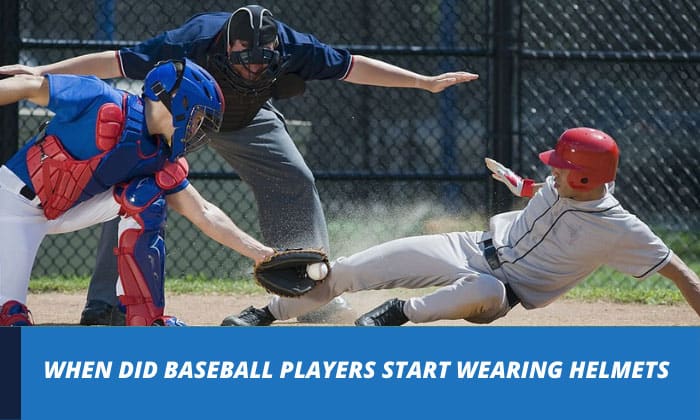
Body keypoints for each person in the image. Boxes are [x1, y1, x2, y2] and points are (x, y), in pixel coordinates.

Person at [0, 5, 479, 326]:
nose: (253, 67)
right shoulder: (192, 40)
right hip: (182, 117)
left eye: (261, 62)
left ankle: (310, 293)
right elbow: (117, 62)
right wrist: (41, 73)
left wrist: (424, 83)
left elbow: (354, 66)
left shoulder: (294, 46)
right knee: (135, 184)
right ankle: (106, 305)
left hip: (248, 119)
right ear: (224, 46)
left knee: (296, 179)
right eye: (243, 59)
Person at [220, 127, 700, 326]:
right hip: (467, 244)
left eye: (560, 166)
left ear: (584, 178)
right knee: (347, 269)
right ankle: (264, 313)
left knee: (482, 286)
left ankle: (396, 314)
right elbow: (542, 191)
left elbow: (681, 273)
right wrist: (519, 182)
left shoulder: (622, 229)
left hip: (499, 289)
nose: (553, 169)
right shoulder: (564, 184)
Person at [0, 58, 276, 326]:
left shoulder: (159, 155)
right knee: (12, 318)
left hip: (66, 209)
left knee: (146, 196)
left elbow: (203, 212)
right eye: (198, 117)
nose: (197, 129)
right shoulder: (101, 99)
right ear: (178, 102)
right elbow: (30, 86)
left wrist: (262, 254)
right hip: (13, 207)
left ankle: (144, 316)